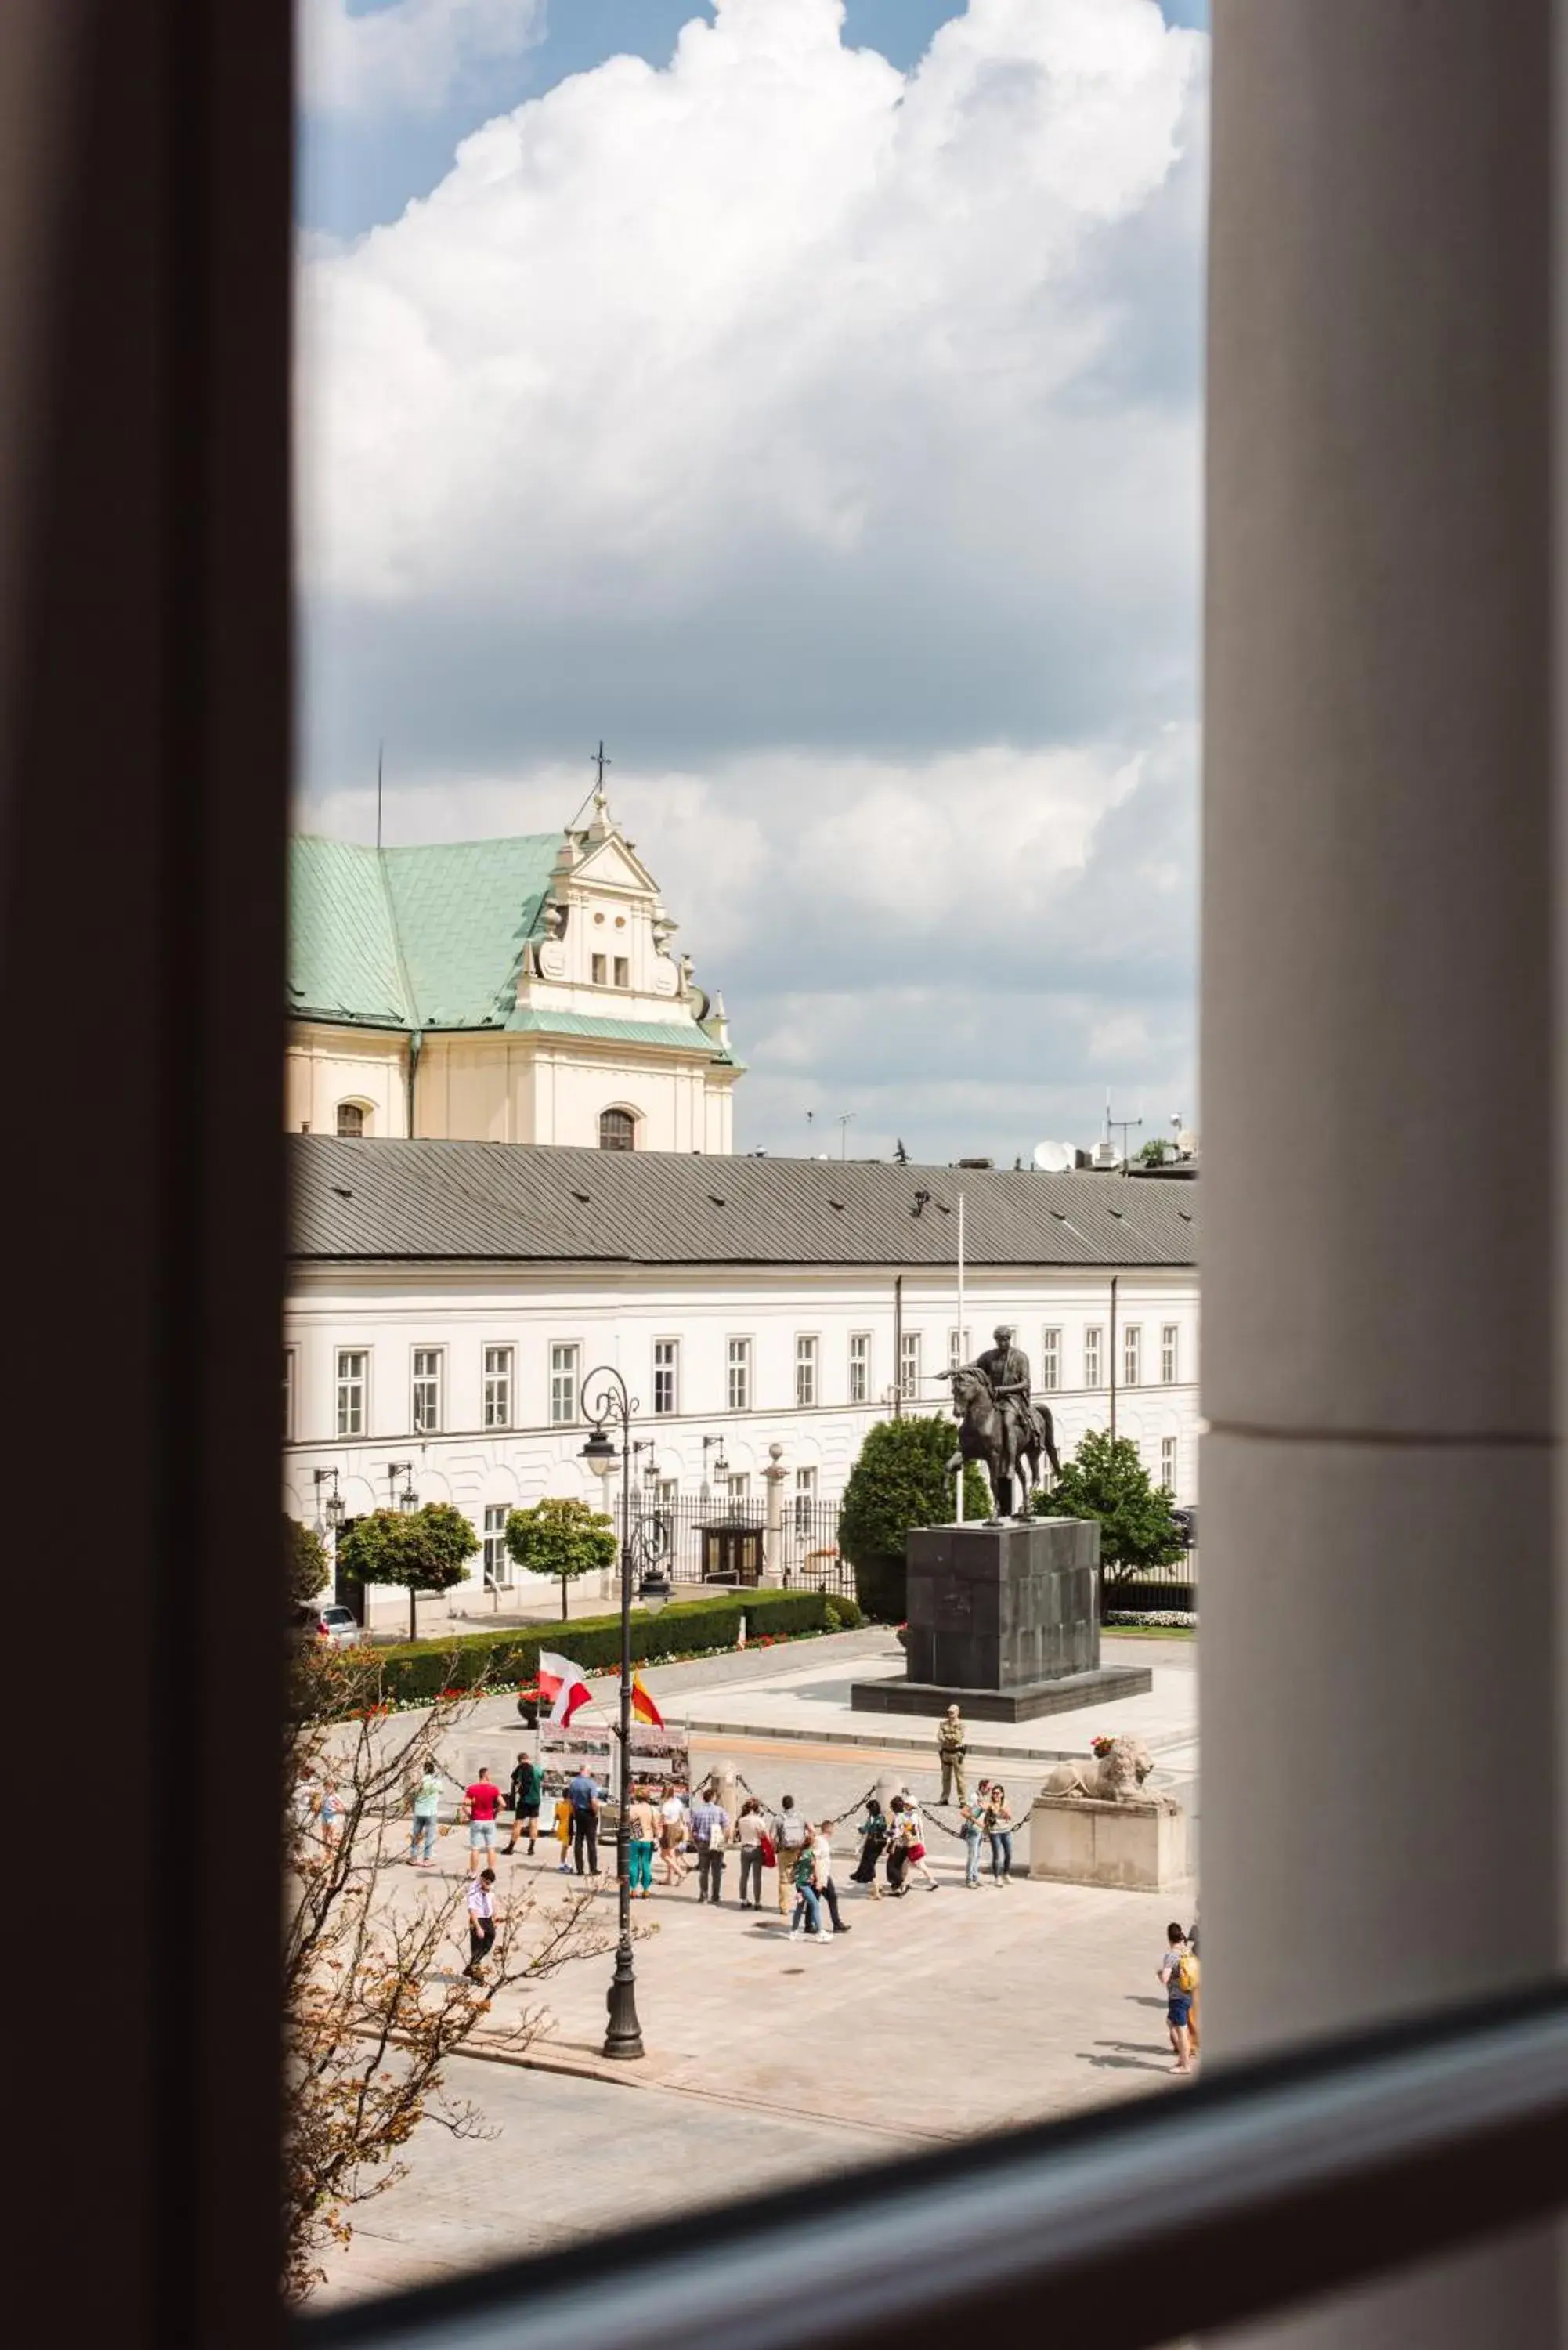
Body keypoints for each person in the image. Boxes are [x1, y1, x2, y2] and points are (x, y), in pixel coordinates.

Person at [1158, 1921, 1199, 2073]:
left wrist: (1160, 1973)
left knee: (1182, 2031)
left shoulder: (1171, 1956)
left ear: (1169, 1938)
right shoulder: (1186, 1951)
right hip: (1188, 1993)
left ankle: (1185, 2065)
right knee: (1170, 2021)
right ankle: (1182, 2057)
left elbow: (1165, 1978)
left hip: (1177, 1998)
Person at [690, 1784, 731, 1904]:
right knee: (717, 1871)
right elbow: (727, 1827)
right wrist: (724, 1842)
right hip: (717, 1840)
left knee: (703, 1871)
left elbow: (693, 1829)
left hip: (703, 1842)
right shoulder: (720, 1811)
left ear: (704, 1798)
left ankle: (704, 1896)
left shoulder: (697, 1811)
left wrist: (696, 1843)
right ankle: (716, 1896)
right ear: (713, 1797)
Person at [461, 1766, 503, 1876]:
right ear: (486, 1775)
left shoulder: (472, 1789)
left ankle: (473, 1872)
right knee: (491, 1847)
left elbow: (465, 1804)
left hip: (476, 1820)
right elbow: (503, 1804)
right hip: (489, 1820)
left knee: (475, 1848)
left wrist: (470, 1815)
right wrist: (495, 1813)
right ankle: (491, 1873)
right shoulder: (494, 1788)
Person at [787, 1825, 826, 1942]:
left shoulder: (801, 1853)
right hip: (804, 1884)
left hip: (801, 1884)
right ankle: (820, 1932)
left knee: (799, 1907)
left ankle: (793, 1932)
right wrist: (819, 1881)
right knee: (815, 1904)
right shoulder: (810, 1855)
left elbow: (797, 1868)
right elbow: (816, 1868)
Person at [812, 1818, 851, 1933]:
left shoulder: (822, 1841)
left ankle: (809, 1924)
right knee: (830, 1898)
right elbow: (816, 1859)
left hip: (824, 1875)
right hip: (821, 1876)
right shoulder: (819, 1841)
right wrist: (818, 1878)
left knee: (816, 1899)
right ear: (830, 1830)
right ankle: (836, 1924)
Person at [503, 1750, 543, 1856]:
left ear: (520, 1761)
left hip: (524, 1800)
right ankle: (531, 1848)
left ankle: (510, 1848)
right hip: (536, 1800)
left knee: (518, 1823)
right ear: (528, 1758)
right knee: (534, 1823)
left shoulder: (520, 1769)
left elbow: (516, 1783)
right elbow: (542, 1781)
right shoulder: (538, 1769)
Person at [774, 1793, 808, 1914]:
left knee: (784, 1880)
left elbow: (771, 1836)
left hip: (784, 1851)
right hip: (799, 1851)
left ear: (783, 1805)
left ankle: (784, 1908)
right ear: (793, 1804)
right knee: (800, 1879)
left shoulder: (778, 1818)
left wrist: (775, 1848)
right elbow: (811, 1831)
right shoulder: (801, 1816)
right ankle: (801, 1904)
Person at [566, 1763, 602, 1877]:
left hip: (578, 1812)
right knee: (591, 1842)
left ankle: (580, 1869)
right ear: (587, 1771)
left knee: (579, 1840)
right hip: (589, 1813)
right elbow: (594, 1801)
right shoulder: (591, 1784)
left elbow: (570, 1799)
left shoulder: (573, 1783)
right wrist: (596, 1813)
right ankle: (593, 1869)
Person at [901, 1791, 940, 1891]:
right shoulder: (916, 1816)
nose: (905, 1805)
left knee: (911, 1865)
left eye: (907, 1804)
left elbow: (907, 1830)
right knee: (911, 1865)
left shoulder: (909, 1817)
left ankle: (905, 1884)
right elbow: (921, 1832)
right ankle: (905, 1883)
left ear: (911, 1806)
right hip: (916, 1843)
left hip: (911, 1845)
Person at [408, 1756, 442, 1867]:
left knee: (416, 1835)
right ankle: (427, 1859)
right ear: (433, 1771)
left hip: (419, 1812)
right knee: (429, 1836)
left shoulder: (418, 1782)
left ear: (424, 1770)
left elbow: (412, 1793)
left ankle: (413, 1858)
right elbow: (441, 1791)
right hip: (431, 1812)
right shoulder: (436, 1782)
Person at [464, 1868, 497, 1980]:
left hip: (488, 1919)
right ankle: (477, 1975)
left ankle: (471, 1966)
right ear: (482, 1880)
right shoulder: (473, 1890)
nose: (489, 1886)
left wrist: (494, 1914)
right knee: (477, 1947)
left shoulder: (490, 1886)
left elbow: (492, 1898)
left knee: (489, 1942)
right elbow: (471, 1910)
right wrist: (478, 1927)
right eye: (487, 1883)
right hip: (478, 1919)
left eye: (490, 1884)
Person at [736, 1797, 768, 1908]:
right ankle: (757, 1902)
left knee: (744, 1875)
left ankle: (744, 1900)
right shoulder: (759, 1821)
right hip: (756, 1849)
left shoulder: (741, 1820)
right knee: (757, 1877)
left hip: (744, 1848)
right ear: (756, 1808)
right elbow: (764, 1836)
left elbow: (740, 1834)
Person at [626, 1788, 657, 1900]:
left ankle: (633, 1889)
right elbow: (656, 1825)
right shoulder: (652, 1809)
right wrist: (657, 1837)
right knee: (646, 1864)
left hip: (634, 1839)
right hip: (647, 1840)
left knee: (633, 1864)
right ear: (648, 1797)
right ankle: (645, 1890)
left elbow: (626, 1822)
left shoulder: (632, 1809)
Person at [959, 1779, 992, 1888]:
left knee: (978, 1856)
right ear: (982, 1787)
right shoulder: (974, 1797)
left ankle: (975, 1877)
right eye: (988, 1788)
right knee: (972, 1856)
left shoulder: (983, 1798)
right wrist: (977, 1822)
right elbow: (964, 1812)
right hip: (973, 1830)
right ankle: (969, 1880)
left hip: (979, 1831)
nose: (990, 1790)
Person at [849, 1799, 888, 1886]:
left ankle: (875, 1883)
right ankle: (863, 1876)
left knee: (868, 1862)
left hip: (872, 1842)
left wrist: (858, 1827)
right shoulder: (882, 1817)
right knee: (869, 1861)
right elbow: (884, 1828)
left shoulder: (872, 1818)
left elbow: (864, 1830)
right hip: (879, 1843)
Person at [657, 1784, 689, 1886]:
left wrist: (658, 1830)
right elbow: (682, 1815)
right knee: (671, 1854)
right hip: (677, 1827)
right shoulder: (677, 1801)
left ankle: (680, 1872)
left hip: (668, 1829)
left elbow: (664, 1821)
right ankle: (669, 1878)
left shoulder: (665, 1804)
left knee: (664, 1855)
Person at [937, 1705, 968, 1806]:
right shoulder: (943, 1724)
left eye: (953, 1712)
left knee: (960, 1778)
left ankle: (963, 1800)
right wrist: (949, 1737)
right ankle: (944, 1798)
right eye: (949, 1712)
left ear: (957, 1712)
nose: (950, 1714)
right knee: (945, 1778)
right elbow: (939, 1736)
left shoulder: (961, 1725)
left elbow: (958, 1738)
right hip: (946, 1753)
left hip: (956, 1754)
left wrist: (946, 1737)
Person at [985, 1784, 1014, 1883]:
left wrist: (1003, 1811)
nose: (995, 1796)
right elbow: (986, 1821)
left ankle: (1006, 1874)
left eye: (997, 1793)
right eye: (994, 1793)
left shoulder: (1006, 1803)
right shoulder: (989, 1805)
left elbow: (1009, 1817)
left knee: (1009, 1853)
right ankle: (997, 1877)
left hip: (1006, 1831)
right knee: (997, 1855)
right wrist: (986, 1834)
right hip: (994, 1832)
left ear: (1002, 1794)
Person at [884, 1796, 912, 1895]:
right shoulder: (905, 1816)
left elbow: (896, 1833)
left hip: (897, 1845)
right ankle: (897, 1887)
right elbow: (910, 1827)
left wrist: (886, 1834)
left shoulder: (897, 1818)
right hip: (905, 1845)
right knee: (898, 1865)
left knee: (891, 1867)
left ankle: (901, 1883)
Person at [552, 1784, 574, 1873]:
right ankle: (562, 1864)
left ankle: (564, 1862)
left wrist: (553, 1827)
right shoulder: (570, 1806)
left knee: (565, 1847)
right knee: (565, 1847)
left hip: (560, 1827)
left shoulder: (559, 1804)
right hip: (567, 1829)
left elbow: (556, 1817)